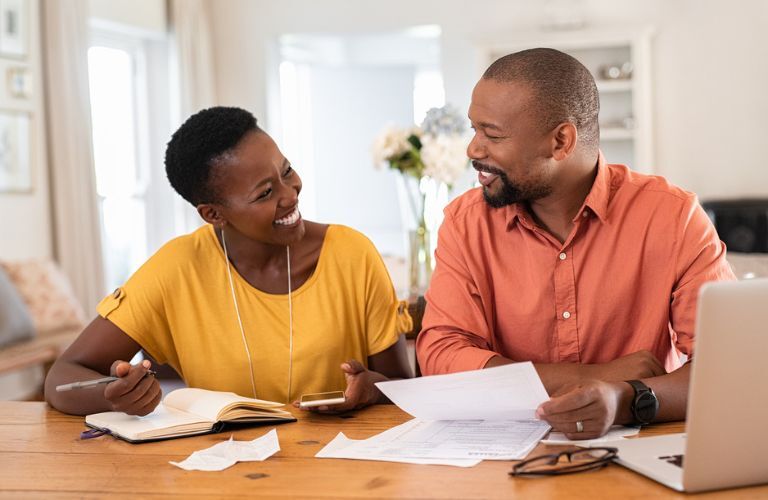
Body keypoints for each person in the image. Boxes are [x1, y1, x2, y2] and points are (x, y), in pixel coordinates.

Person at [416, 48, 735, 439]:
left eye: (493, 135)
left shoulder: (672, 216)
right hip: (500, 457)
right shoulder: (466, 224)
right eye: (474, 129)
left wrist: (623, 398)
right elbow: (441, 354)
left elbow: (727, 366)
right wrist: (592, 377)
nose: (473, 149)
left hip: (639, 450)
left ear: (561, 141)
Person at [45, 106, 413, 416]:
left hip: (344, 470)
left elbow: (401, 386)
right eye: (265, 192)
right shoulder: (176, 268)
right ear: (213, 214)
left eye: (286, 171)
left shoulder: (352, 253)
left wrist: (369, 390)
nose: (290, 194)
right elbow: (62, 376)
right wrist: (115, 396)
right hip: (223, 470)